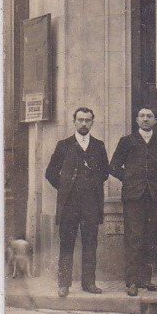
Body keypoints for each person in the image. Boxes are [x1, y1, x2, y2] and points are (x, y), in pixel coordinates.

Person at [44, 107, 110, 297]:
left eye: (87, 120)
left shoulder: (98, 146)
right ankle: (64, 284)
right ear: (74, 122)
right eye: (80, 120)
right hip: (69, 204)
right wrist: (65, 187)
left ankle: (89, 283)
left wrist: (91, 185)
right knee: (67, 243)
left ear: (92, 123)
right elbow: (50, 173)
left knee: (91, 243)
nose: (83, 123)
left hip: (91, 203)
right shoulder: (63, 145)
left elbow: (105, 172)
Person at [109, 106, 157, 296]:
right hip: (133, 197)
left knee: (150, 237)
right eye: (142, 116)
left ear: (155, 121)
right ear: (137, 120)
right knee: (134, 237)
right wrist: (128, 179)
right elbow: (113, 166)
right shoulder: (127, 141)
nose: (146, 119)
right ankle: (132, 281)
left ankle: (146, 279)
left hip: (154, 196)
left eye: (149, 116)